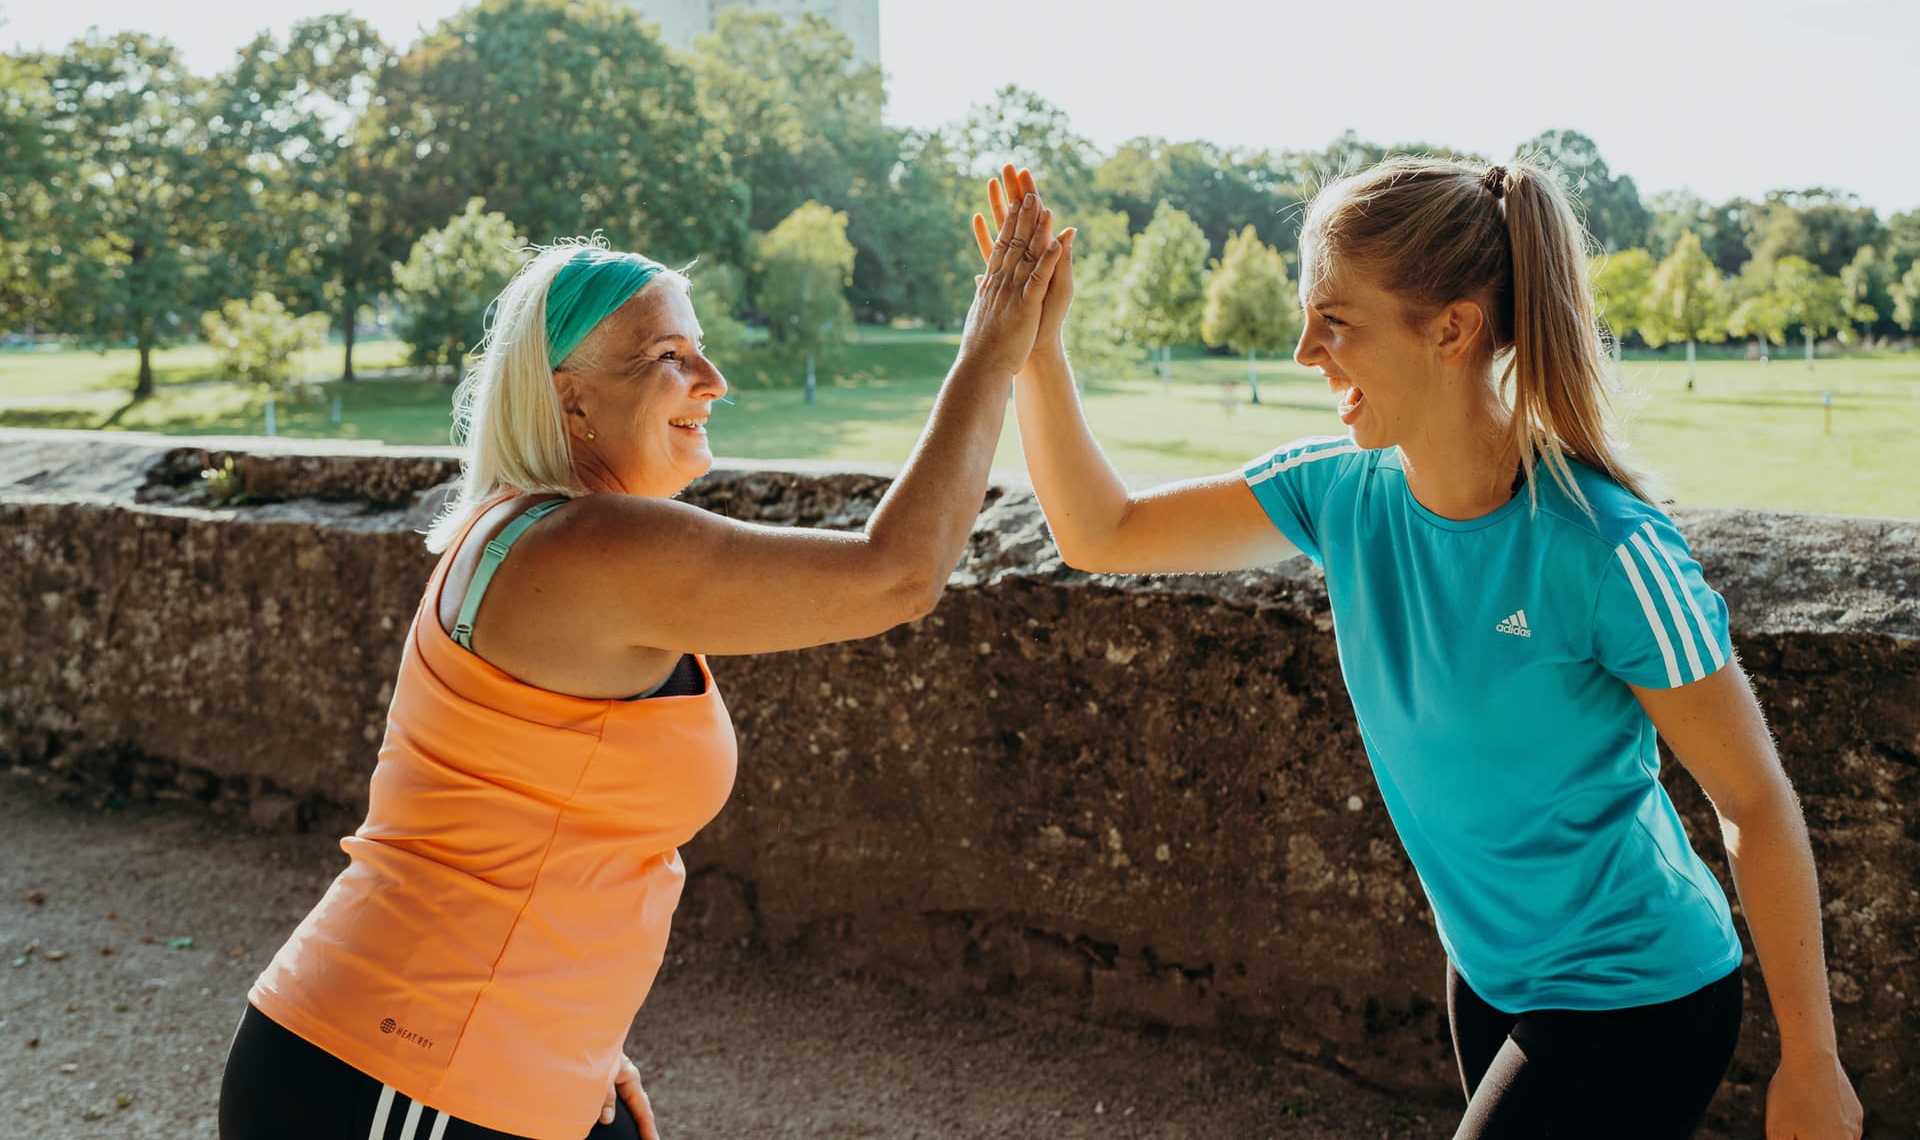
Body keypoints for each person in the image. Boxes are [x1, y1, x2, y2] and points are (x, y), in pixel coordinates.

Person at [974, 160, 1864, 1139]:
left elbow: (1754, 800)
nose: (1305, 349)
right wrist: (1036, 351)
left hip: (1637, 990)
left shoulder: (1605, 549)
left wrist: (1812, 1059)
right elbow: (1103, 532)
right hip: (1487, 972)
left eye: (1337, 320)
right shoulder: (1340, 492)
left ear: (1450, 327)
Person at [218, 194, 1066, 1140]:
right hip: (402, 1073)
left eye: (699, 348)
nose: (712, 379)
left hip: (448, 1054)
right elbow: (896, 575)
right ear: (571, 397)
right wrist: (991, 352)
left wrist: (582, 1048)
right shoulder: (587, 547)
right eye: (668, 357)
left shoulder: (534, 535)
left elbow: (532, 833)